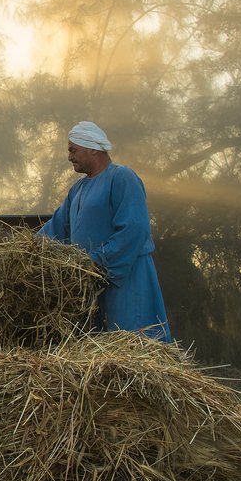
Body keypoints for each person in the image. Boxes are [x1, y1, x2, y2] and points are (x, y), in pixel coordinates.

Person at [38, 121, 172, 342]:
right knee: (100, 347)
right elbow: (56, 229)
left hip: (127, 279)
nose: (69, 157)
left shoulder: (122, 178)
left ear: (92, 148)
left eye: (73, 150)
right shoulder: (77, 189)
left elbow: (134, 229)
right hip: (93, 283)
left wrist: (96, 260)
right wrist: (23, 249)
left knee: (131, 343)